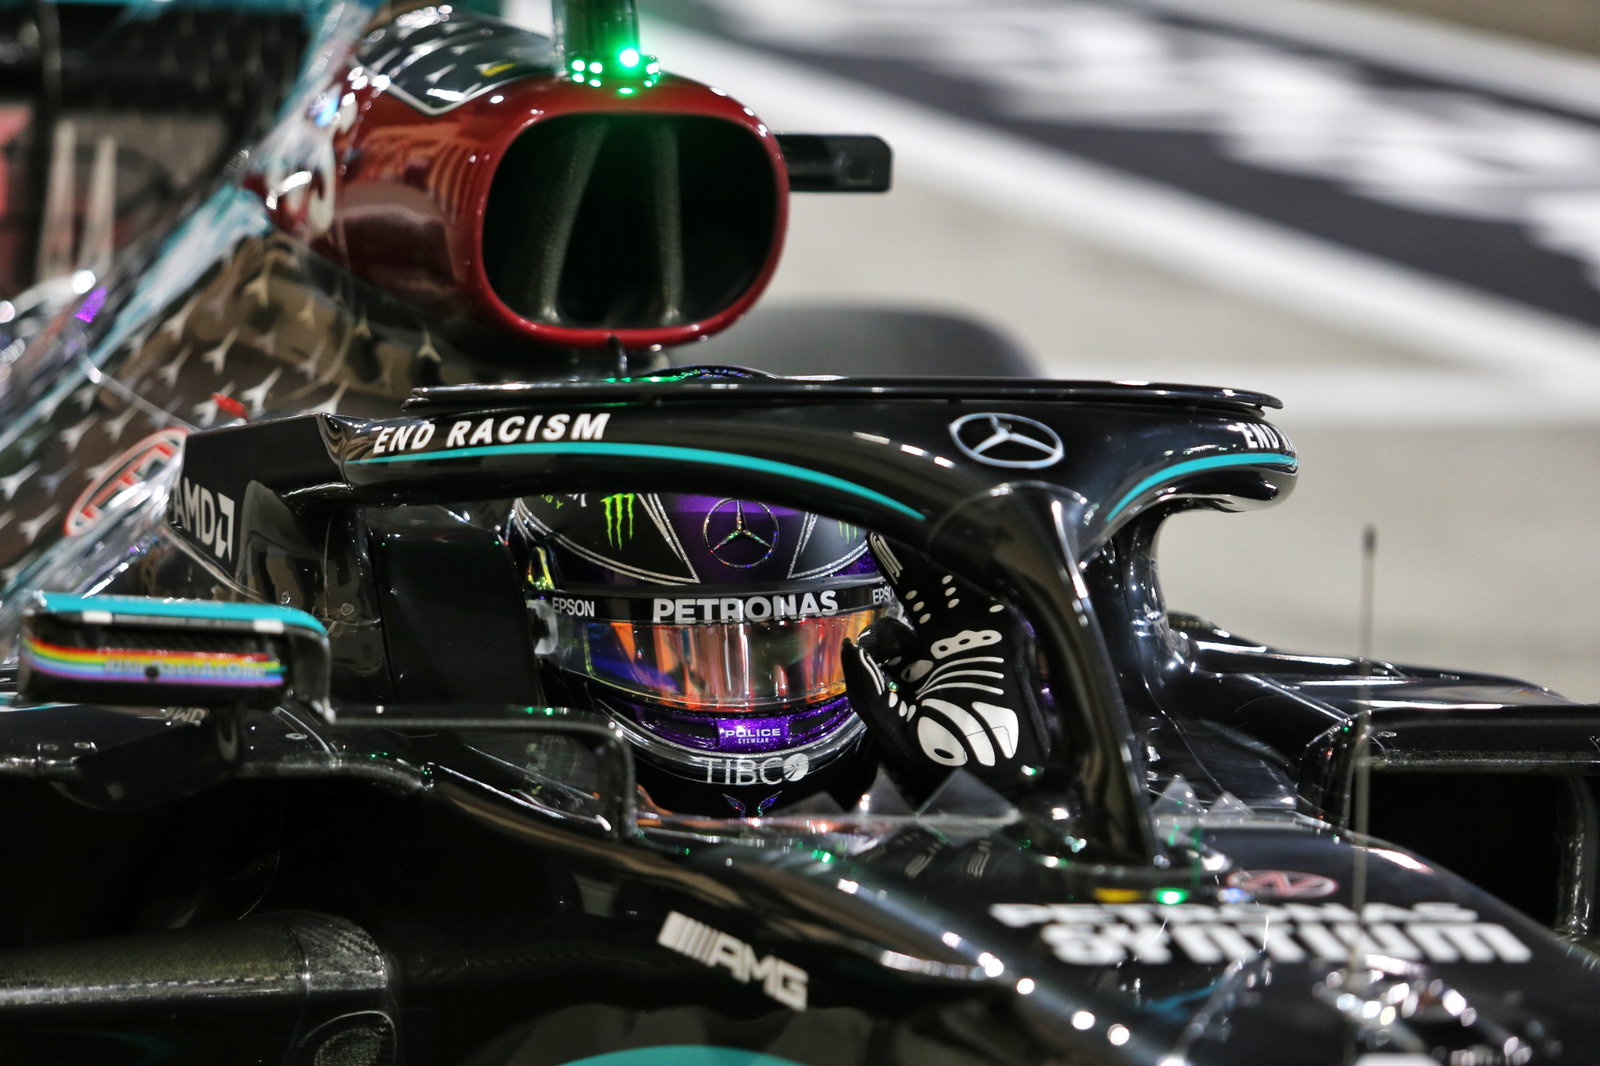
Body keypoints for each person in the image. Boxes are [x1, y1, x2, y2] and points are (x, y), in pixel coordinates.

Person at [508, 490, 1053, 817]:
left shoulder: (908, 758)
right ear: (544, 631)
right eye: (671, 655)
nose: (747, 701)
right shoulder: (498, 814)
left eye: (795, 644)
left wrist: (992, 802)